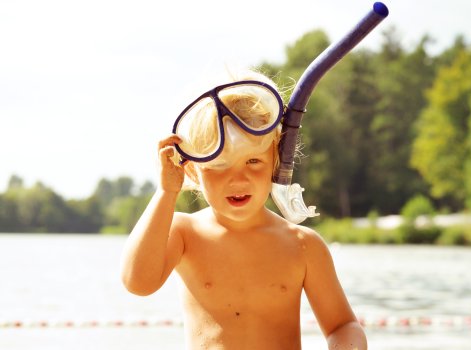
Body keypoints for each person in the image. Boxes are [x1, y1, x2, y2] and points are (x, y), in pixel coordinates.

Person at [120, 70, 366, 350]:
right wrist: (166, 192)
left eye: (252, 161)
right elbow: (137, 282)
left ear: (277, 159)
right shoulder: (184, 233)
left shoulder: (303, 246)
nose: (238, 179)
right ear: (192, 170)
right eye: (220, 166)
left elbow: (342, 326)